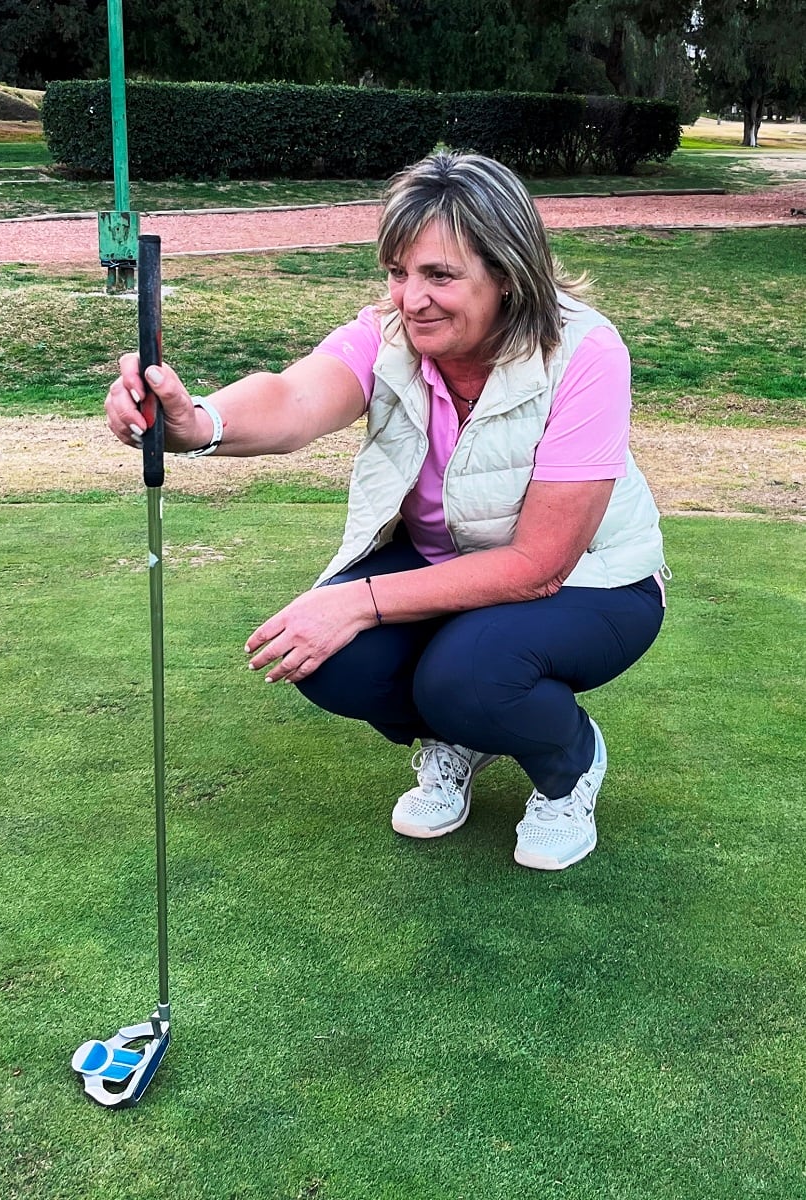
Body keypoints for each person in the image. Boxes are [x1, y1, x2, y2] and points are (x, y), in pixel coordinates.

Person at [105, 150, 667, 871]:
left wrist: (358, 602)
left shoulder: (587, 351)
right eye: (398, 272)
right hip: (446, 563)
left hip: (594, 584)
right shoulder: (388, 335)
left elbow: (538, 566)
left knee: (466, 674)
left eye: (440, 275)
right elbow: (293, 398)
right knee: (335, 664)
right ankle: (456, 740)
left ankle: (569, 762)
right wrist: (196, 423)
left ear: (507, 272)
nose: (411, 298)